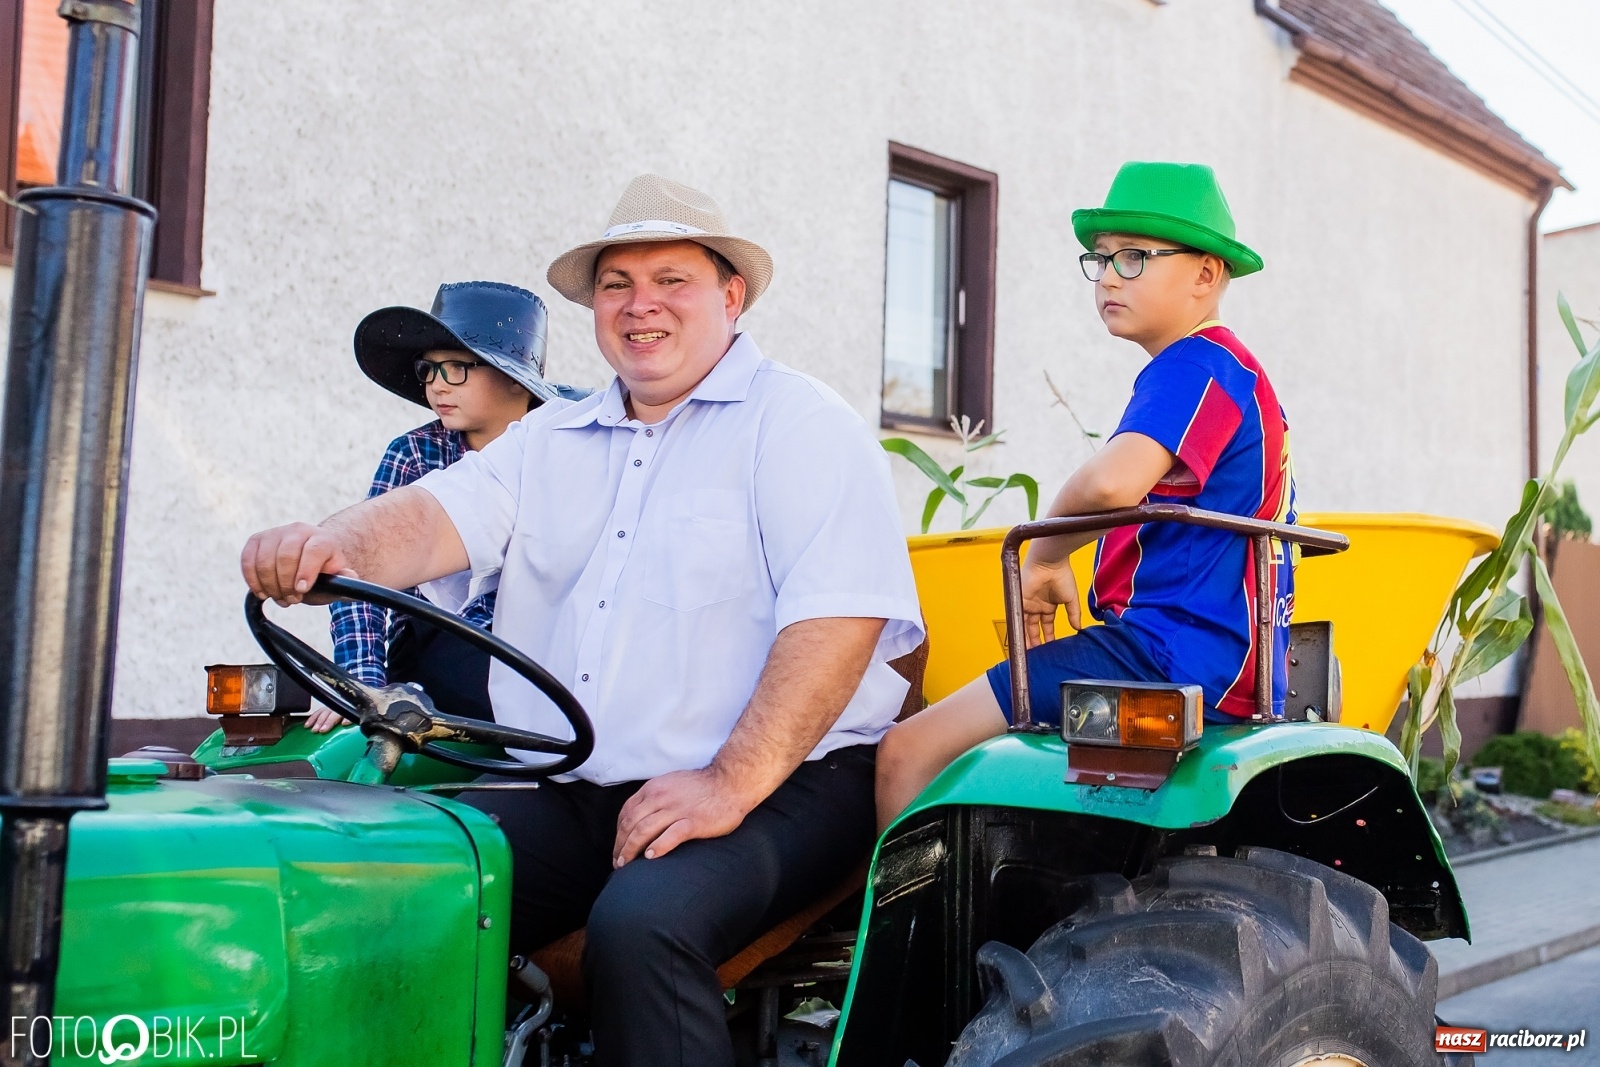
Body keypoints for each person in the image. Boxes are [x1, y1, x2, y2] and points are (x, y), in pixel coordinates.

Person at [240, 174, 923, 1066]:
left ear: (731, 296)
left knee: (643, 926)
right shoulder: (550, 438)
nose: (641, 305)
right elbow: (428, 518)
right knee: (406, 887)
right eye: (616, 284)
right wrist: (327, 546)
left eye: (671, 280)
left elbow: (838, 623)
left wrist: (727, 782)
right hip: (583, 781)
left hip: (786, 778)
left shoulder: (800, 425)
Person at [876, 161, 1296, 829]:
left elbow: (1109, 483)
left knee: (906, 751)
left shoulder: (1196, 366)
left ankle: (902, 902)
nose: (1107, 277)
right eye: (1100, 259)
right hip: (1214, 659)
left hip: (1160, 652)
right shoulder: (1230, 374)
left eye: (1134, 257)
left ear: (1205, 274)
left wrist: (1045, 555)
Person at [309, 281, 586, 732]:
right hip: (436, 651)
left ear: (514, 377)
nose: (437, 385)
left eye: (457, 367)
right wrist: (361, 681)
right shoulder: (414, 454)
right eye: (429, 369)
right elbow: (361, 578)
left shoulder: (570, 453)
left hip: (544, 656)